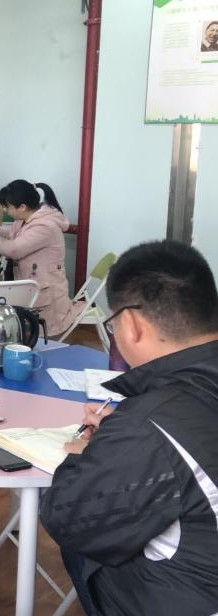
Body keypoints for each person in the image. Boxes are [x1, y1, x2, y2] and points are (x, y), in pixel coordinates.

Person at [40, 240, 218, 615]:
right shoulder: (151, 424)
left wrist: (86, 453)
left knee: (88, 543)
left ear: (133, 324)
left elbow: (69, 518)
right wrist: (124, 437)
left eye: (113, 324)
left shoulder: (147, 425)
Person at [0, 180, 79, 335]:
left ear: (22, 207)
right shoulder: (23, 220)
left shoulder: (45, 226)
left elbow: (14, 249)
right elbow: (10, 234)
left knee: (39, 334)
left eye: (7, 207)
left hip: (46, 291)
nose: (5, 210)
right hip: (33, 286)